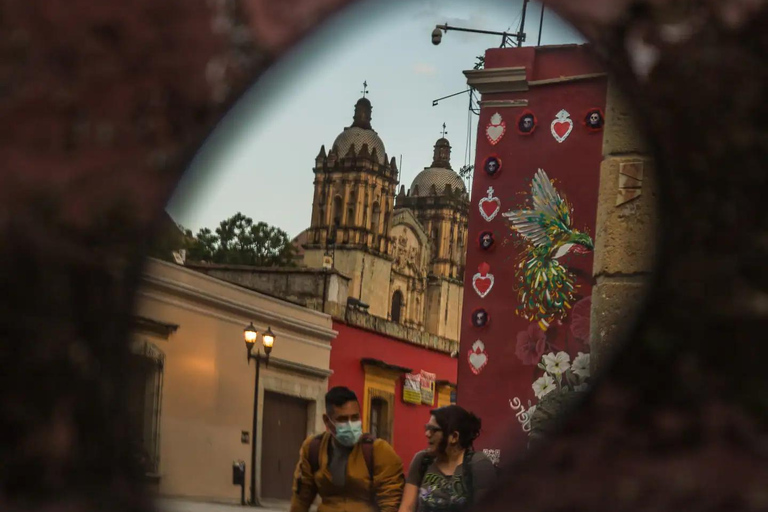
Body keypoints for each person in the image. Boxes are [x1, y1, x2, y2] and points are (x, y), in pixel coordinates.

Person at [290, 386, 404, 512]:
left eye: (355, 418)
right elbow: (301, 498)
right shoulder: (313, 448)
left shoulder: (379, 451)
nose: (350, 425)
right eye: (342, 419)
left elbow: (391, 502)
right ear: (327, 421)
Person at [398, 405, 497, 512]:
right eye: (427, 428)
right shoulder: (422, 460)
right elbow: (407, 507)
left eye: (433, 430)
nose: (427, 434)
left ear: (454, 437)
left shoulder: (478, 463)